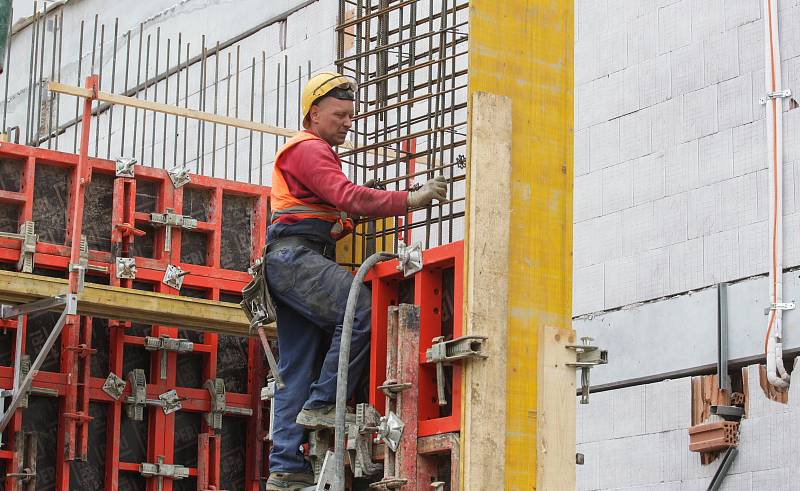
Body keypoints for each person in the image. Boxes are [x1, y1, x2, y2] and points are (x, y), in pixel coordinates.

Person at [264, 71, 447, 490]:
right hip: (297, 259)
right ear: (314, 114)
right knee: (361, 309)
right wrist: (410, 199)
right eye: (340, 114)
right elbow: (345, 196)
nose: (348, 122)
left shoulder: (306, 155)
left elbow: (326, 212)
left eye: (352, 115)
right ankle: (322, 403)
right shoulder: (311, 150)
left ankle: (286, 468)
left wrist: (350, 214)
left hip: (292, 259)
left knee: (295, 366)